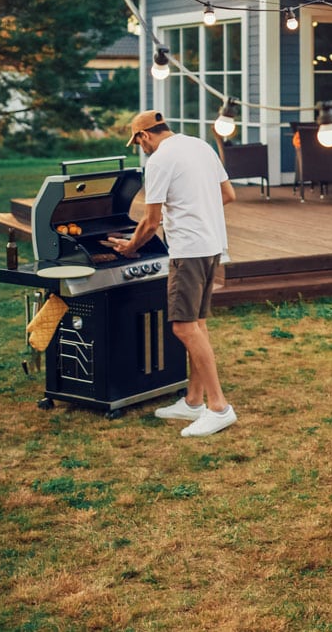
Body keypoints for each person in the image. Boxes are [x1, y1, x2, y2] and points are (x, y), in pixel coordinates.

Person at [107, 111, 238, 438]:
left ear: (144, 136)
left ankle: (219, 407)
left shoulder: (159, 161)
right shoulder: (201, 146)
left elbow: (150, 222)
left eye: (138, 143)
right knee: (197, 323)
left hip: (188, 252)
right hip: (211, 246)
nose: (142, 149)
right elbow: (228, 195)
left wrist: (129, 247)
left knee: (183, 327)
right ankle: (193, 402)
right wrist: (193, 214)